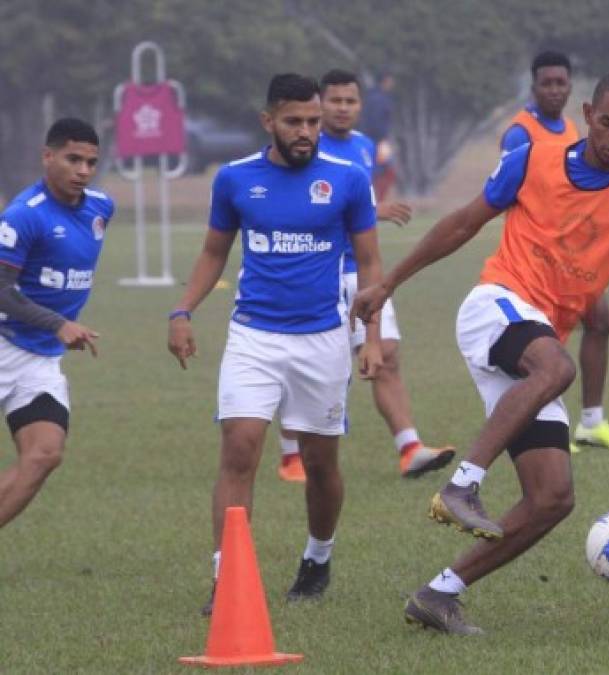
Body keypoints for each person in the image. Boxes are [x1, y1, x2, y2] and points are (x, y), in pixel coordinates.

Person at [355, 71, 609, 634]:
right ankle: (462, 484)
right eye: (606, 122)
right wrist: (388, 284)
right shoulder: (532, 159)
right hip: (497, 304)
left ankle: (439, 595)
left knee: (553, 496)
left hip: (536, 341)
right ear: (589, 113)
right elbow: (462, 223)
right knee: (557, 367)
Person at [167, 73, 382, 615]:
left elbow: (371, 264)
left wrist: (371, 337)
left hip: (322, 340)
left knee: (320, 462)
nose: (307, 131)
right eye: (295, 121)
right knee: (239, 448)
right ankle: (228, 577)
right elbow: (215, 252)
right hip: (253, 335)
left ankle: (318, 556)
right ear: (269, 122)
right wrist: (182, 309)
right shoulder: (236, 179)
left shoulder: (349, 179)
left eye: (313, 121)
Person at [274, 68, 453, 483]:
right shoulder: (302, 151)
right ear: (320, 105)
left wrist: (369, 212)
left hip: (361, 271)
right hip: (315, 273)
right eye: (334, 101)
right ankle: (289, 455)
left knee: (386, 355)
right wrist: (377, 211)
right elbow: (305, 211)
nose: (342, 108)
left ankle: (410, 449)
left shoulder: (364, 147)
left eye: (350, 101)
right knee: (301, 366)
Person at [500, 50, 609, 453]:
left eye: (562, 83)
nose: (555, 89)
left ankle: (592, 421)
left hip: (577, 252)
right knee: (543, 340)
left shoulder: (574, 127)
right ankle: (543, 419)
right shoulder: (519, 133)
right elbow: (509, 194)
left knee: (600, 318)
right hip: (536, 257)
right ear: (534, 85)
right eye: (547, 83)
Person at [0, 118, 113, 529]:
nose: (82, 170)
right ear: (47, 157)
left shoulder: (101, 208)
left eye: (90, 162)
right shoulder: (23, 216)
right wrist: (58, 323)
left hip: (37, 360)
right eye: (72, 159)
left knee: (44, 454)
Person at [360, 72, 398, 201]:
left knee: (378, 172)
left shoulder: (371, 96)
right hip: (377, 142)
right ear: (386, 80)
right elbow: (376, 122)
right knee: (387, 171)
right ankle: (376, 202)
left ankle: (374, 202)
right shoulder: (379, 99)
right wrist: (383, 140)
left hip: (372, 141)